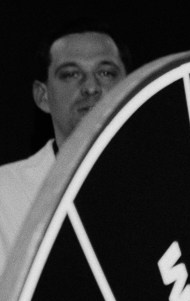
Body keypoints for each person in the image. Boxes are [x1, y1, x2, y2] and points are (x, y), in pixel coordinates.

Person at [0, 28, 129, 284]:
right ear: (43, 96)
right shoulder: (5, 193)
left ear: (131, 87)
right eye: (71, 74)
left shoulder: (169, 185)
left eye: (106, 73)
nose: (91, 87)